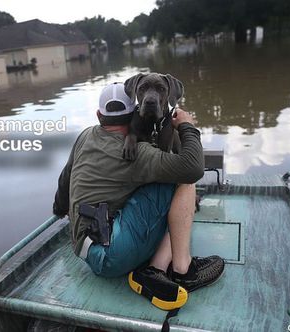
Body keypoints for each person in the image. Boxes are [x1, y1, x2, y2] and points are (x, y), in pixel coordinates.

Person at [52, 82, 224, 310]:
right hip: (113, 256)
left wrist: (59, 209)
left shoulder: (85, 136)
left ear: (98, 115)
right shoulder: (137, 152)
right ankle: (181, 270)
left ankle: (155, 264)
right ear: (134, 113)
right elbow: (193, 168)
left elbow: (65, 179)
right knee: (182, 180)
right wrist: (187, 127)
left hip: (83, 250)